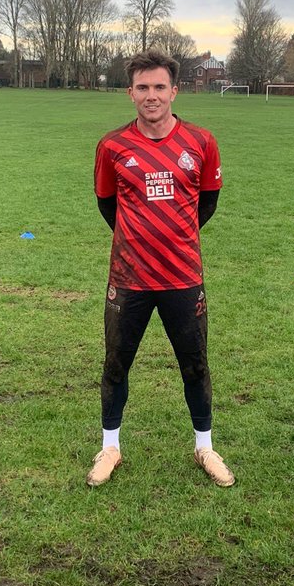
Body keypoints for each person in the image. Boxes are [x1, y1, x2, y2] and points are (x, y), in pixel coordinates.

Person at [86, 49, 234, 488]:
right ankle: (110, 447)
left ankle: (204, 446)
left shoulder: (201, 142)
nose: (152, 96)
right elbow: (107, 205)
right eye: (143, 88)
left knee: (196, 365)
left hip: (183, 278)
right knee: (116, 363)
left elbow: (206, 204)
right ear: (130, 92)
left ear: (175, 90)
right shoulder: (112, 146)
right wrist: (139, 241)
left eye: (159, 87)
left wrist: (173, 238)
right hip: (129, 279)